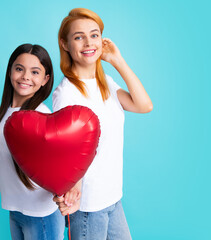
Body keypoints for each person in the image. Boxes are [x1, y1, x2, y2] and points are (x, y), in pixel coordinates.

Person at [52, 8, 153, 240]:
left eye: (94, 34)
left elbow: (144, 105)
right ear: (65, 44)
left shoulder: (105, 82)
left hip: (113, 198)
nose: (89, 42)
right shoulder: (66, 94)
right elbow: (63, 154)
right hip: (88, 206)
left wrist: (118, 61)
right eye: (79, 37)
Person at [0, 44, 64, 240]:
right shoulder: (2, 112)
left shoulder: (43, 116)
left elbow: (61, 164)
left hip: (41, 215)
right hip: (16, 212)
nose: (26, 76)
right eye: (19, 69)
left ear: (45, 80)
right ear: (10, 72)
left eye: (35, 72)